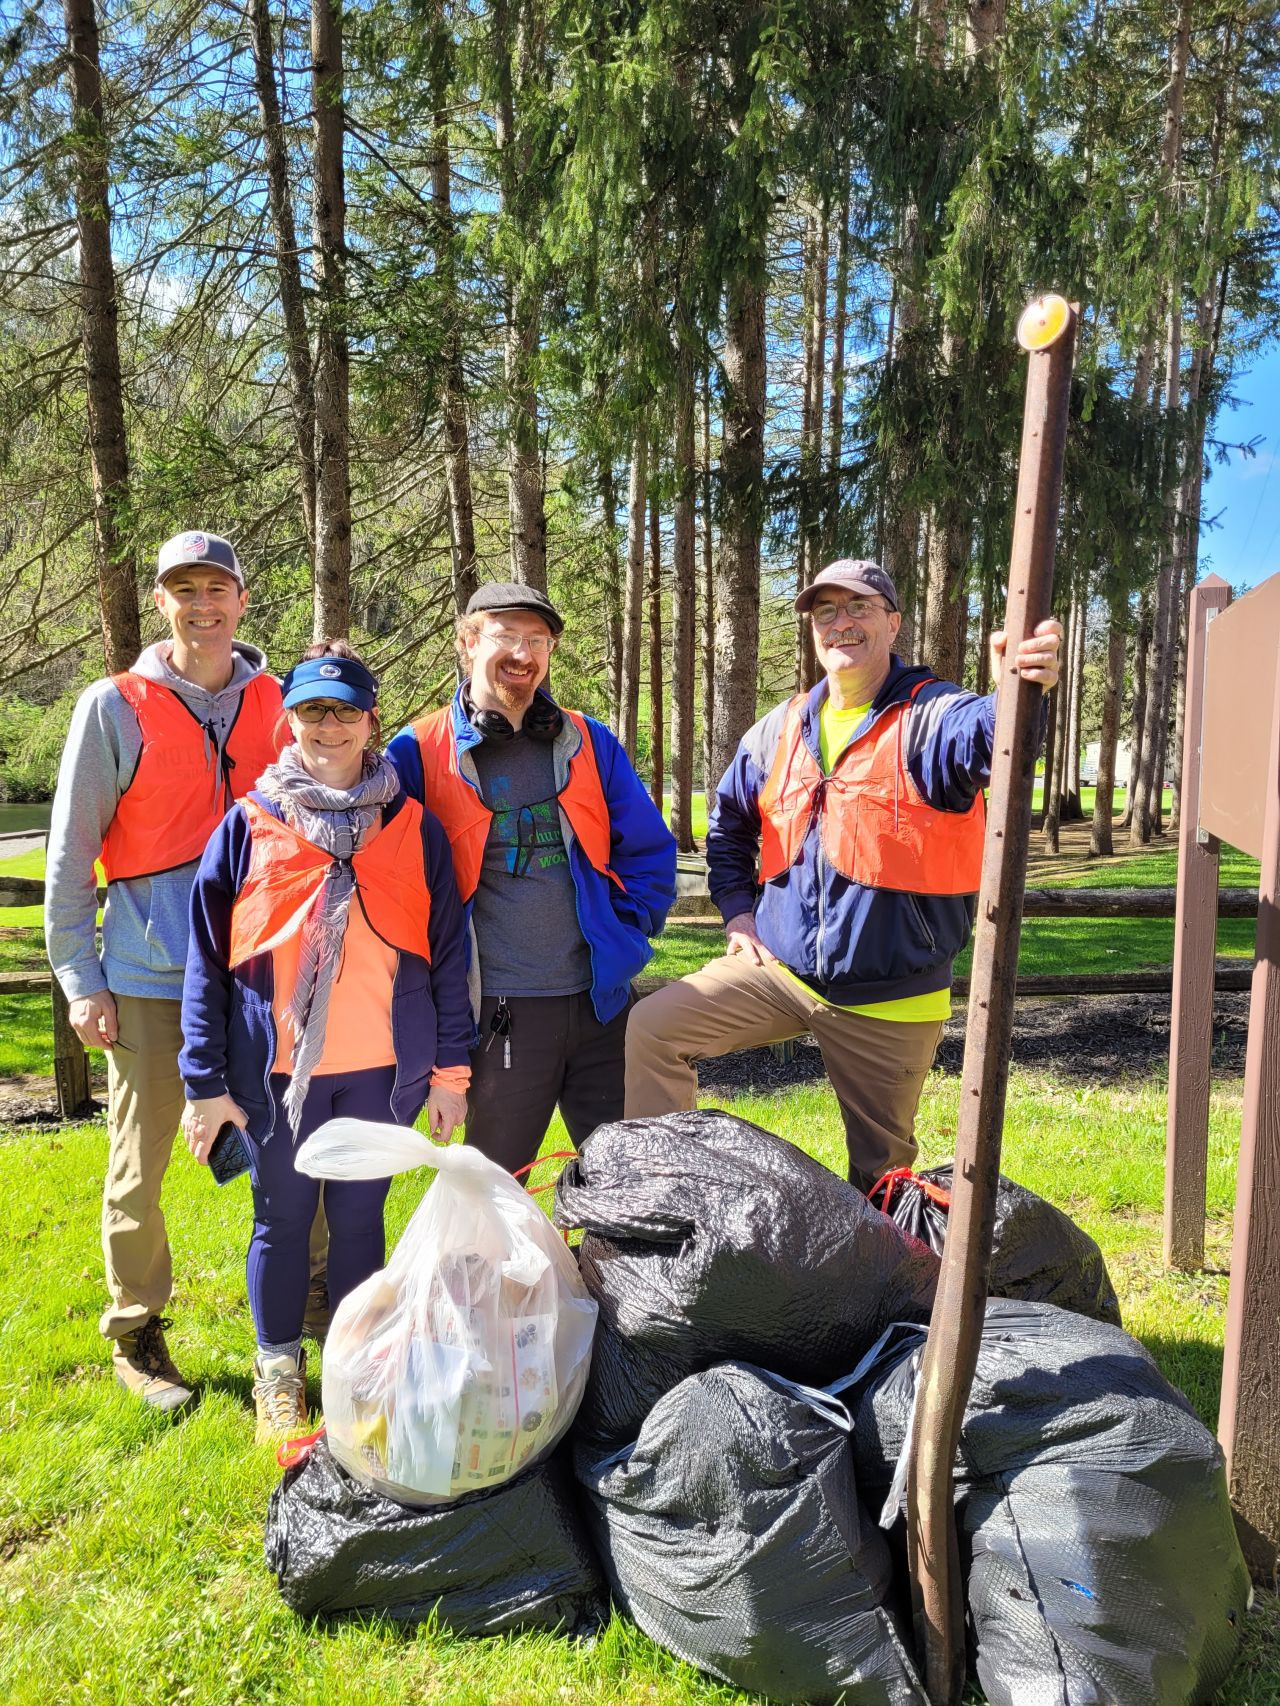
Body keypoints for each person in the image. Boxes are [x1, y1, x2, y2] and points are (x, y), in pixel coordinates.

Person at [625, 558, 1062, 1191]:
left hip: (893, 997)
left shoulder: (932, 715)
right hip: (777, 974)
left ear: (893, 623)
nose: (841, 624)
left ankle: (883, 1277)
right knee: (655, 1029)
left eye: (858, 607)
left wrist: (1016, 691)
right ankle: (662, 1204)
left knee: (884, 1179)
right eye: (825, 612)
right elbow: (728, 828)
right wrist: (738, 911)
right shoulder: (779, 728)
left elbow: (996, 739)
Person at [178, 644, 471, 1442]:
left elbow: (447, 956)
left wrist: (449, 1073)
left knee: (360, 1221)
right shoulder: (248, 825)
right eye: (312, 710)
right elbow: (205, 962)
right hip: (276, 1080)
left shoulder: (412, 827)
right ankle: (279, 1369)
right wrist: (204, 1083)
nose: (328, 727)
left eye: (344, 710)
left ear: (371, 720)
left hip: (379, 1071)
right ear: (290, 720)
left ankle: (352, 1363)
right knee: (280, 1221)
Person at [45, 531, 284, 1412]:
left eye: (217, 586)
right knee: (139, 1165)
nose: (203, 604)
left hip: (262, 975)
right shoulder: (111, 708)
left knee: (292, 1143)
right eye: (184, 589)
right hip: (147, 973)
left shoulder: (284, 700)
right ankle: (137, 1327)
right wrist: (80, 977)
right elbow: (70, 858)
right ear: (161, 602)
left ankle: (311, 1293)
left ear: (243, 599)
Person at [386, 582, 677, 1178]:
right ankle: (492, 1278)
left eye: (537, 640)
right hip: (498, 1011)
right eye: (506, 636)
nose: (523, 653)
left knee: (626, 1179)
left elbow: (648, 852)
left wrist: (626, 937)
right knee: (493, 1187)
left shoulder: (588, 741)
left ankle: (601, 1274)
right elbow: (392, 880)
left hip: (601, 1003)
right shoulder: (418, 750)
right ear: (468, 645)